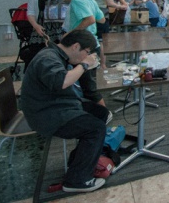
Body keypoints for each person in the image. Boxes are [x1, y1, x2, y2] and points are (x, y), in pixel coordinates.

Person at [20, 30, 109, 193]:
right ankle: (76, 180)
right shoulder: (48, 58)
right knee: (96, 128)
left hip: (54, 104)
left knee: (101, 113)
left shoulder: (54, 54)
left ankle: (80, 161)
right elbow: (62, 81)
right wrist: (84, 65)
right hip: (45, 114)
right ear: (76, 46)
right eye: (86, 52)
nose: (86, 56)